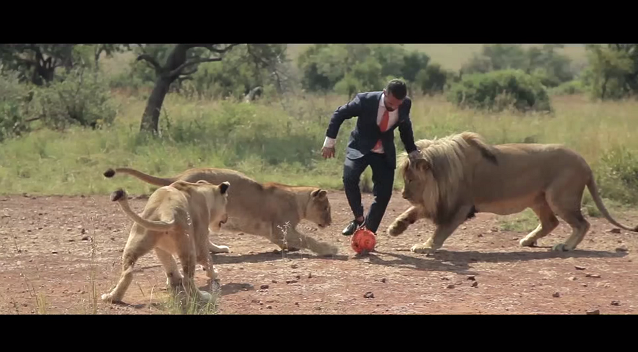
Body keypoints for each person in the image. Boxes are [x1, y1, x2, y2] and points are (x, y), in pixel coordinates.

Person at [321, 79, 421, 238]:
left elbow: (405, 127)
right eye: (390, 103)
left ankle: (368, 232)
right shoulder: (365, 100)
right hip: (360, 147)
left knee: (384, 193)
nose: (394, 107)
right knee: (350, 178)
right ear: (384, 93)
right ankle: (359, 219)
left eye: (398, 104)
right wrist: (329, 143)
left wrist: (411, 150)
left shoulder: (405, 104)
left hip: (384, 152)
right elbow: (339, 113)